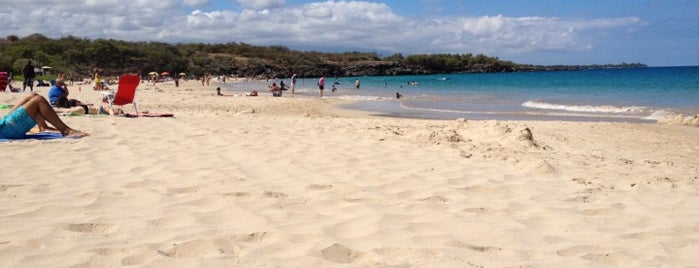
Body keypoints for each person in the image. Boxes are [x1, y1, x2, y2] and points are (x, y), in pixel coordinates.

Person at [0, 93, 88, 139]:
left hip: (3, 125)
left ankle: (43, 126)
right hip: (5, 131)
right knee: (39, 100)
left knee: (33, 95)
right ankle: (66, 130)